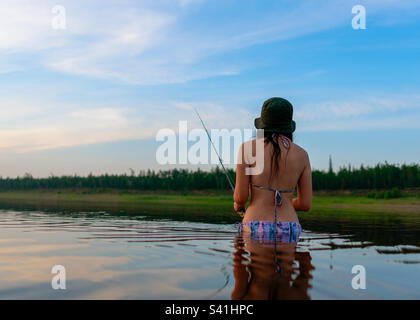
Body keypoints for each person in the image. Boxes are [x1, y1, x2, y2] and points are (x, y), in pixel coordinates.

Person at [233, 97, 312, 241]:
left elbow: (241, 197)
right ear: (288, 126)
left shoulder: (247, 149)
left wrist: (238, 205)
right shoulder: (302, 154)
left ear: (262, 124)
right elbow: (305, 204)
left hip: (254, 226)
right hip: (291, 227)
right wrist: (286, 199)